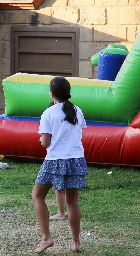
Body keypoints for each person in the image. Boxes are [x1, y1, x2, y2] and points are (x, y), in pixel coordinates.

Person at [31, 76, 88, 253]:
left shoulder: (48, 113)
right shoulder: (77, 110)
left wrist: (41, 141)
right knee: (72, 202)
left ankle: (46, 238)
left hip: (55, 160)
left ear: (52, 93)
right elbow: (79, 133)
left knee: (37, 196)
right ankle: (76, 242)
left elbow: (46, 142)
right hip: (76, 159)